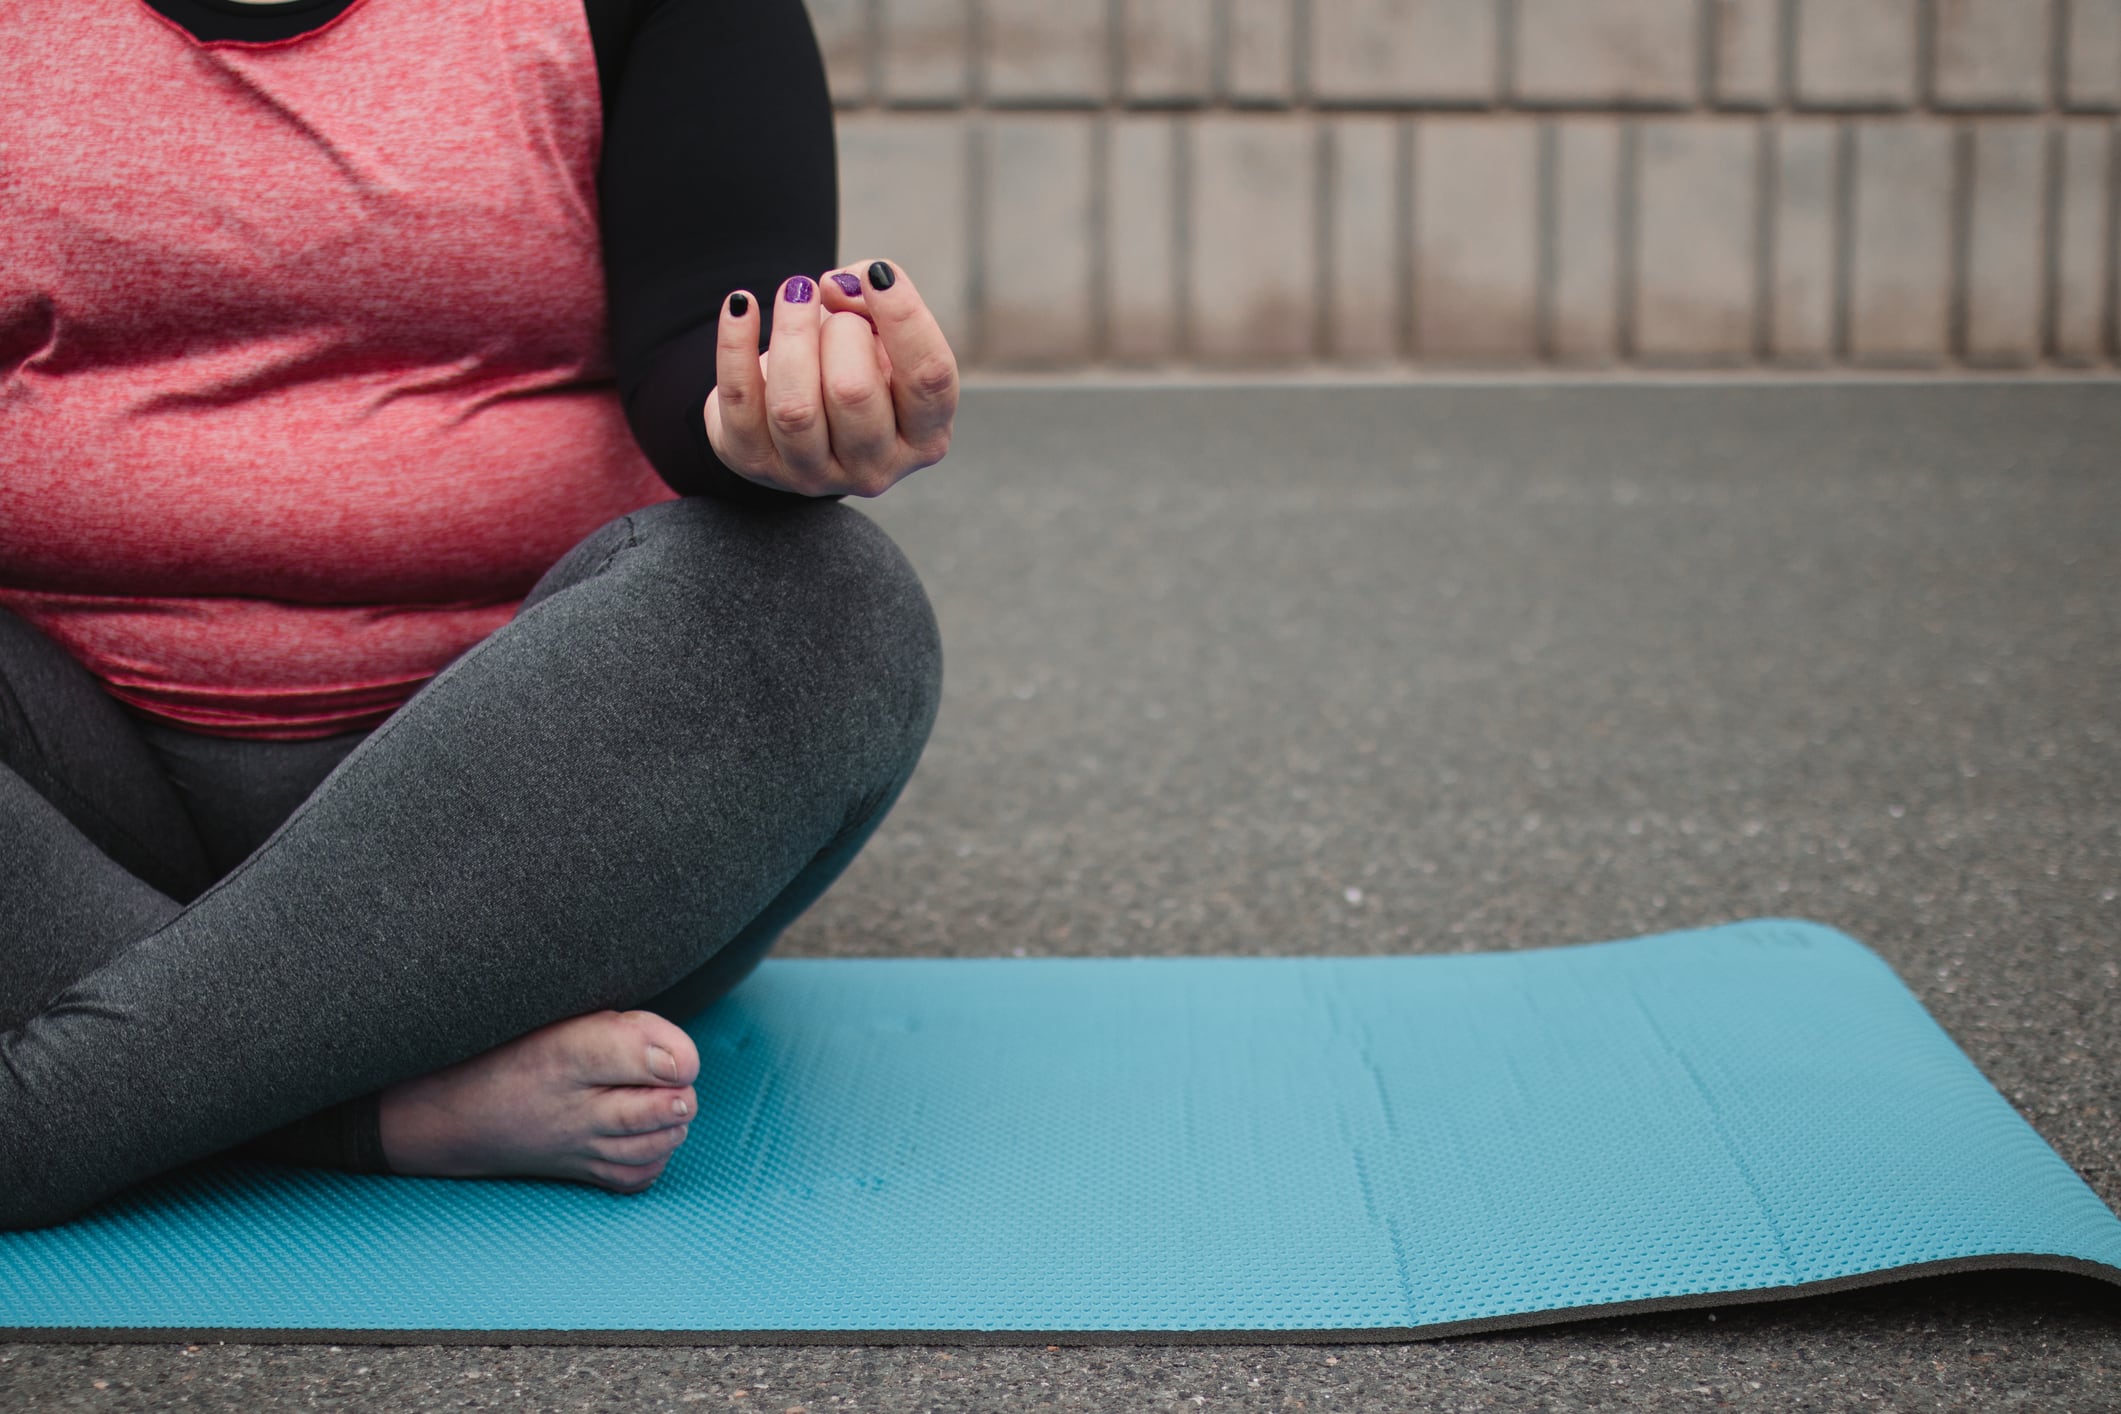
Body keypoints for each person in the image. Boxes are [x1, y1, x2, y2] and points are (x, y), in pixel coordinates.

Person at [0, 0, 955, 1230]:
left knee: (826, 605)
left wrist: (768, 421)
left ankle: (63, 1114)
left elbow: (698, 341)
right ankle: (352, 1104)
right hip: (67, 799)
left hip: (517, 847)